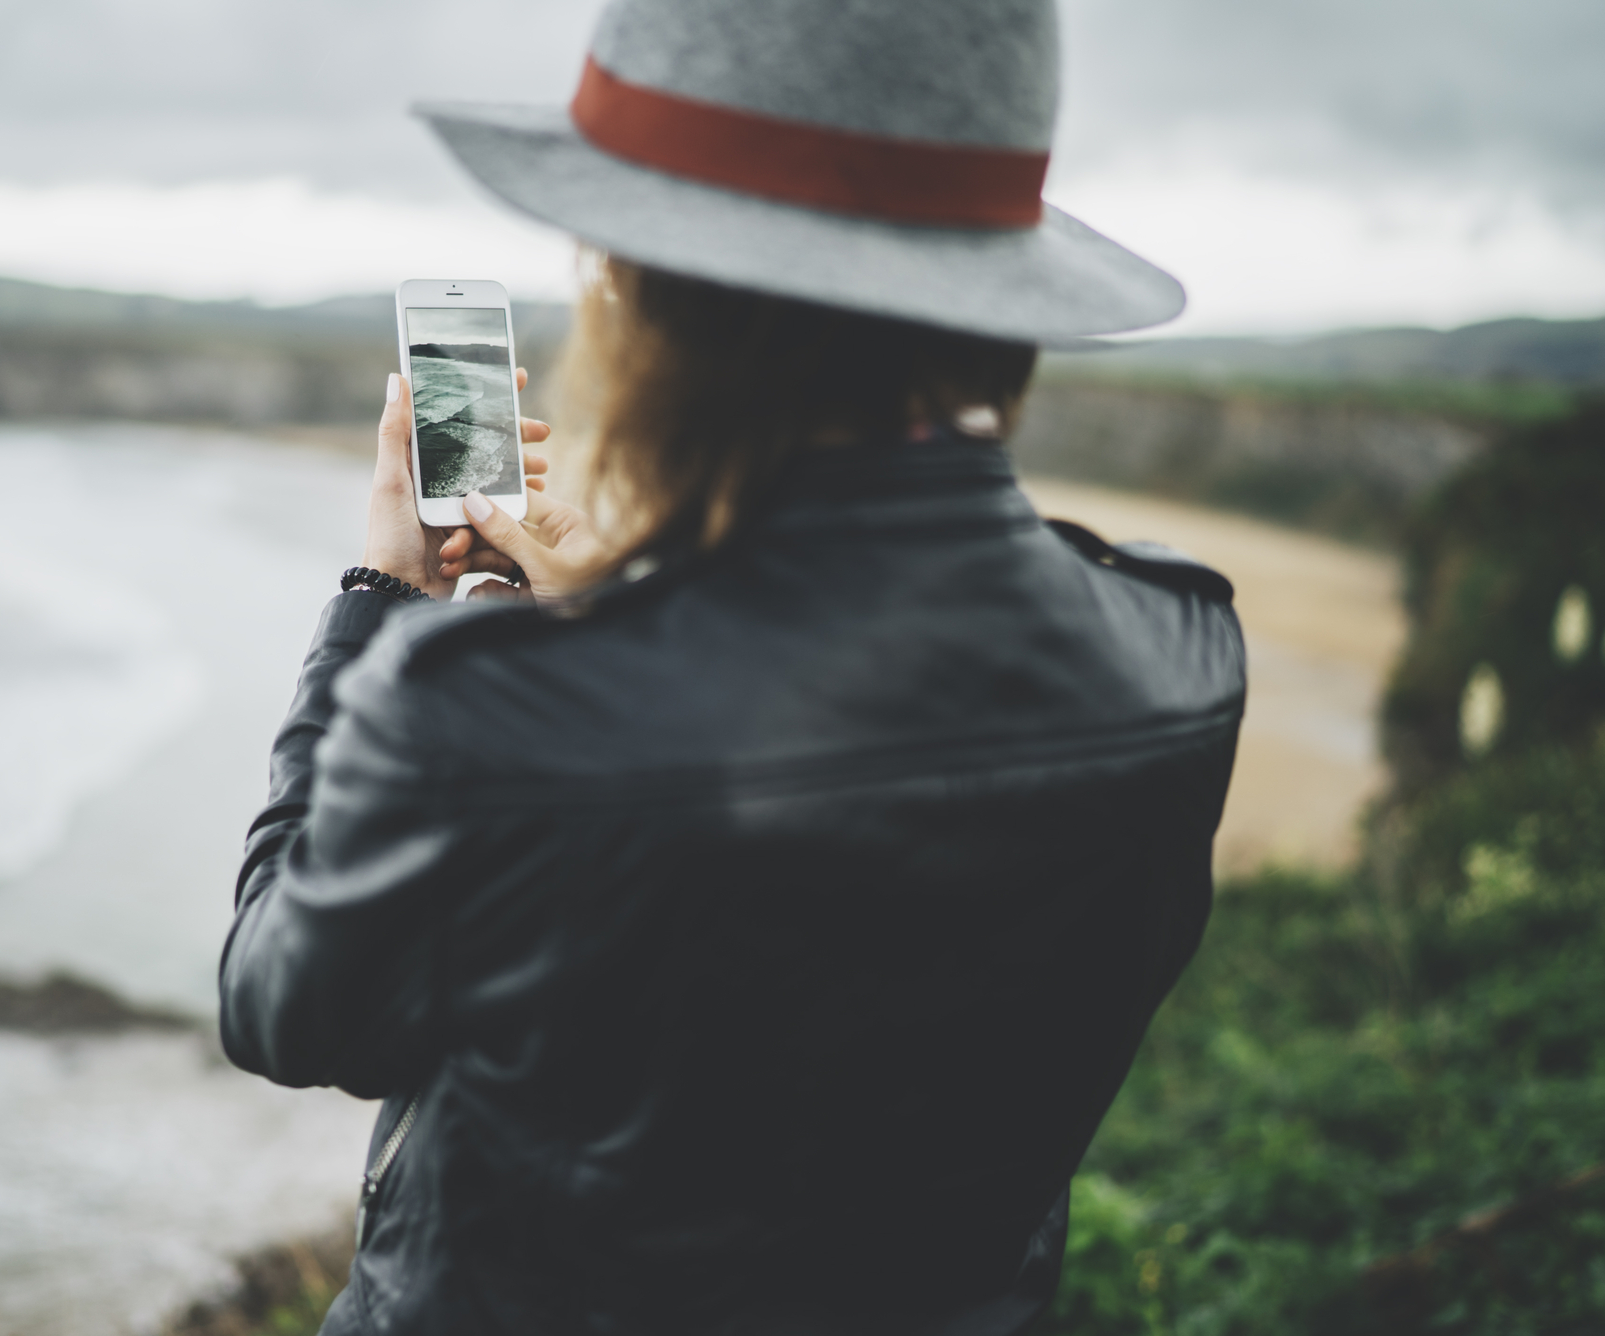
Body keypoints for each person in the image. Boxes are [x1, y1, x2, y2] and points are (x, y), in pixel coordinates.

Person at [219, 1, 1246, 1333]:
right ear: (997, 299)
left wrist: (386, 597)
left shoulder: (481, 712)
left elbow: (284, 1011)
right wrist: (638, 610)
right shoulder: (1179, 655)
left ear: (650, 293)